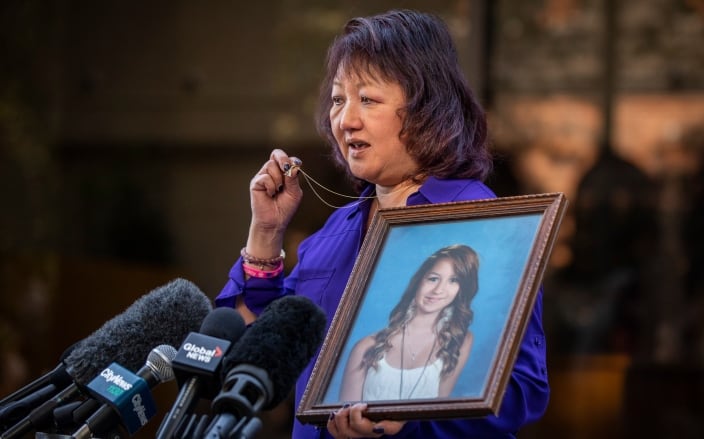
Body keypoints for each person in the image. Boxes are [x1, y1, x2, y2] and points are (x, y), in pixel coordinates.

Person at [215, 9, 549, 439]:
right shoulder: (335, 231)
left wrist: (410, 418)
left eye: (367, 99)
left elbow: (522, 391)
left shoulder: (487, 226)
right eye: (338, 100)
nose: (345, 119)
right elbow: (252, 355)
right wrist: (265, 233)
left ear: (426, 108)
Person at [340, 244, 479, 402]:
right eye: (433, 279)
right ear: (419, 281)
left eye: (453, 281)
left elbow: (437, 409)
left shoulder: (460, 341)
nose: (438, 290)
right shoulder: (365, 348)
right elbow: (345, 418)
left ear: (462, 289)